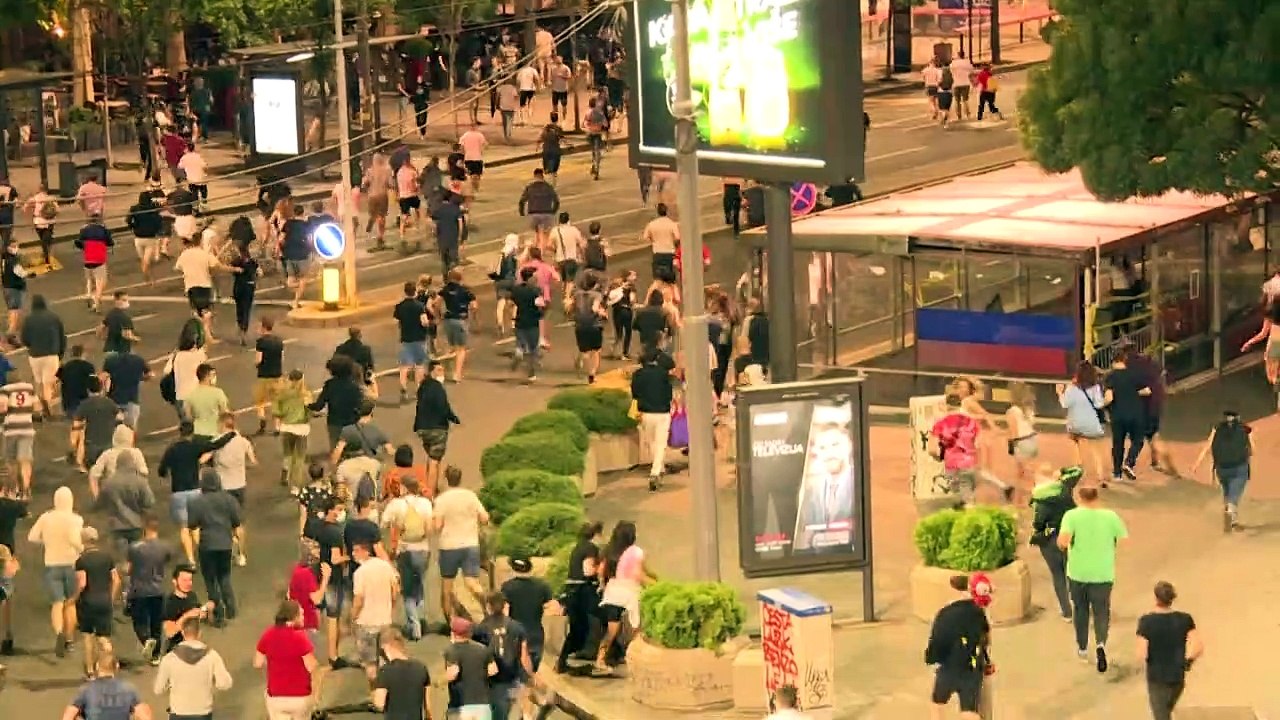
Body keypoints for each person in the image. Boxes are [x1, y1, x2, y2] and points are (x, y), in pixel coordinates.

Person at [1058, 485, 1128, 672]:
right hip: (1103, 573)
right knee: (1102, 611)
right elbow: (1123, 539)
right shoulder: (1111, 516)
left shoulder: (1071, 516)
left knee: (1080, 610)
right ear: (1097, 497)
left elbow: (1063, 542)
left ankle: (1082, 648)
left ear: (1079, 497)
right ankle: (1101, 645)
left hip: (1078, 573)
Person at [28, 485, 84, 658]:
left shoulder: (46, 518)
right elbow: (75, 539)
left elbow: (32, 537)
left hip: (52, 564)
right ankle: (69, 639)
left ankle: (59, 632)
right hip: (71, 564)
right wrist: (81, 548)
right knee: (70, 603)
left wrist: (47, 541)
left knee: (57, 603)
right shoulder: (76, 519)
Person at [924, 574, 990, 720]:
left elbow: (937, 641)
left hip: (949, 667)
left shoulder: (945, 614)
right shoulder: (978, 613)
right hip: (972, 669)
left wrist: (931, 658)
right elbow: (984, 638)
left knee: (937, 704)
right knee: (969, 709)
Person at [595, 521, 655, 675]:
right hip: (630, 592)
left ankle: (600, 660)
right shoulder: (635, 552)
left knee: (611, 631)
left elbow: (601, 571)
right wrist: (653, 583)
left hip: (612, 591)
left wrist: (603, 585)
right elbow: (638, 574)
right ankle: (638, 661)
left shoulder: (609, 551)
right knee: (637, 628)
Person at [1137, 581, 1203, 720]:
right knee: (1166, 712)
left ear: (1156, 598)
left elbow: (1142, 653)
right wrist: (1188, 662)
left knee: (1161, 716)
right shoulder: (1185, 619)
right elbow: (1198, 646)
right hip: (1177, 678)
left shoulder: (1146, 622)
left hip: (1157, 679)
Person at [793, 411, 856, 553]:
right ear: (817, 452)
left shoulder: (859, 483)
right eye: (823, 448)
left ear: (849, 446)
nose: (830, 453)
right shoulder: (811, 491)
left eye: (835, 444)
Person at [186, 468, 242, 626]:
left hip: (207, 545)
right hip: (225, 543)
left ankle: (218, 614)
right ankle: (231, 609)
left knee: (211, 581)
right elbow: (237, 522)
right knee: (225, 577)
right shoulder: (229, 499)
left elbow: (192, 524)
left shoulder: (196, 502)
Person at [500, 557, 555, 716]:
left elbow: (506, 613)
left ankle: (528, 714)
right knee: (528, 674)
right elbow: (551, 607)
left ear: (513, 569)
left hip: (517, 637)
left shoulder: (507, 588)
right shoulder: (542, 586)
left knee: (522, 679)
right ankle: (542, 699)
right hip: (537, 635)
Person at [1029, 465, 1083, 622]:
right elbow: (1078, 470)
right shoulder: (1064, 488)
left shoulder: (1040, 501)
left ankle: (1067, 612)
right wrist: (1062, 471)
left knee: (1058, 575)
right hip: (1070, 536)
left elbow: (1038, 524)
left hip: (1050, 541)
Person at [434, 466, 488, 620]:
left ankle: (450, 620)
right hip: (470, 544)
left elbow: (437, 526)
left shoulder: (442, 499)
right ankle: (488, 605)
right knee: (471, 582)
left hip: (449, 546)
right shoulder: (470, 496)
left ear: (446, 479)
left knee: (447, 586)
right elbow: (485, 518)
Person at [153, 616, 233, 717]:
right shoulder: (212, 656)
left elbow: (158, 689)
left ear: (182, 633)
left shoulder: (170, 658)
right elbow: (224, 684)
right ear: (199, 633)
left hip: (178, 712)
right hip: (203, 712)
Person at [255, 599, 320, 720]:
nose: (303, 618)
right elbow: (312, 666)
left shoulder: (268, 634)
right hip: (300, 698)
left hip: (276, 697)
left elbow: (257, 663)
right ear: (292, 617)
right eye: (300, 614)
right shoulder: (300, 637)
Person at [1190, 409, 1254, 531]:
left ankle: (1233, 522)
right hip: (1239, 467)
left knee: (1227, 492)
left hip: (1221, 468)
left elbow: (1208, 446)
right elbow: (1253, 449)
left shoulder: (1217, 428)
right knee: (1235, 493)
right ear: (1238, 417)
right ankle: (1230, 511)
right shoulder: (1246, 429)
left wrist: (1197, 463)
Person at [477, 589, 534, 720]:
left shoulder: (482, 628)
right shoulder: (517, 626)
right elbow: (524, 656)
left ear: (488, 606)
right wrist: (530, 675)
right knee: (524, 710)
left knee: (498, 715)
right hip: (514, 676)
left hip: (494, 681)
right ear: (504, 605)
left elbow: (479, 655)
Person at [351, 540, 398, 695]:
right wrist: (391, 608)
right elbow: (395, 591)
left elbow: (358, 600)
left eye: (356, 550)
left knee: (370, 663)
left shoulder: (360, 573)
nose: (353, 554)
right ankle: (388, 692)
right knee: (386, 659)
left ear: (366, 551)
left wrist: (352, 617)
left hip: (366, 623)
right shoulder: (386, 567)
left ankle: (375, 695)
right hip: (385, 621)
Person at [555, 521, 602, 673]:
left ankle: (563, 660)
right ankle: (566, 659)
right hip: (583, 591)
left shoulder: (578, 546)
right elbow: (588, 571)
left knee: (576, 627)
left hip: (572, 590)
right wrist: (601, 569)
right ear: (595, 534)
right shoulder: (590, 548)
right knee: (582, 627)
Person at [72, 527, 118, 678]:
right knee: (104, 636)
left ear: (83, 540)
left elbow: (82, 583)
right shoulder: (107, 557)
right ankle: (109, 665)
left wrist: (74, 598)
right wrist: (111, 597)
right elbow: (116, 580)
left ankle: (91, 671)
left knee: (88, 636)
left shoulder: (81, 560)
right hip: (104, 600)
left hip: (88, 601)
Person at [211, 412, 257, 562]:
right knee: (238, 522)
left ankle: (228, 547)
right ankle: (242, 554)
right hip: (239, 486)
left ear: (223, 425)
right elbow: (253, 461)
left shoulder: (217, 441)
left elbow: (204, 458)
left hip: (222, 487)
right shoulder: (243, 442)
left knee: (223, 521)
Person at [126, 517, 172, 665]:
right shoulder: (164, 547)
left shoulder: (135, 547)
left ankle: (146, 639)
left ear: (144, 530)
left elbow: (129, 568)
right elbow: (167, 561)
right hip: (158, 589)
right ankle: (156, 656)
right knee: (156, 624)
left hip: (138, 591)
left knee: (139, 621)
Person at [1103, 350, 1152, 484]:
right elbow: (1147, 391)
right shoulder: (1134, 374)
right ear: (1125, 361)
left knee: (1118, 444)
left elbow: (1109, 397)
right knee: (1138, 440)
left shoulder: (1110, 376)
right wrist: (1134, 394)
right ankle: (1129, 462)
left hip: (1118, 415)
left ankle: (1117, 473)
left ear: (1113, 362)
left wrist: (1101, 405)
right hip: (1136, 413)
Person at [61, 650, 152, 720]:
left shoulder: (86, 690)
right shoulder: (129, 689)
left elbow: (68, 716)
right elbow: (145, 716)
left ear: (96, 667)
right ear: (117, 666)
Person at [1057, 362, 1108, 486]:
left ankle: (1078, 471)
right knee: (1096, 450)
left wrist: (1059, 392)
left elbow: (1064, 404)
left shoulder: (1071, 387)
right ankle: (1100, 476)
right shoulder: (1095, 388)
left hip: (1076, 424)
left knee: (1077, 446)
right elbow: (1099, 405)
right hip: (1092, 425)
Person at [632, 349, 674, 492]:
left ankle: (659, 467)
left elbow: (635, 394)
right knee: (661, 443)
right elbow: (669, 393)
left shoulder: (637, 375)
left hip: (645, 412)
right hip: (662, 411)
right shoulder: (663, 374)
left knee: (650, 442)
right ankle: (655, 472)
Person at [414, 361, 460, 490]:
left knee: (432, 458)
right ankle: (430, 494)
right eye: (439, 370)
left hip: (422, 429)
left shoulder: (423, 387)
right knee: (435, 460)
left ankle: (432, 486)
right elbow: (443, 407)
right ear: (431, 371)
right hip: (437, 429)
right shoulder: (438, 388)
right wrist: (454, 418)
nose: (442, 373)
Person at [930, 393, 982, 506]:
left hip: (952, 464)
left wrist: (939, 458)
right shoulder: (972, 422)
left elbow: (932, 450)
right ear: (960, 404)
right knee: (969, 497)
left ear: (946, 405)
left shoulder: (940, 423)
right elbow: (978, 445)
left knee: (958, 499)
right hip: (969, 463)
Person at [443, 616, 498, 720]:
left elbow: (453, 673)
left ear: (453, 633)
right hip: (483, 704)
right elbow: (493, 670)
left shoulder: (452, 650)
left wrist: (439, 680)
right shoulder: (482, 649)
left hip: (461, 704)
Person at [21, 294, 66, 419]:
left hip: (35, 356)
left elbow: (24, 339)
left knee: (38, 382)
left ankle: (38, 407)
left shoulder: (28, 319)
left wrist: (31, 346)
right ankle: (46, 409)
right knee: (48, 383)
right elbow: (62, 337)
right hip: (51, 355)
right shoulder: (54, 317)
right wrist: (60, 353)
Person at [373, 628, 432, 720]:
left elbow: (379, 703)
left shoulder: (385, 671)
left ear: (386, 646)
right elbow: (428, 707)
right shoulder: (421, 667)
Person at [309, 355, 365, 450]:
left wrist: (306, 405)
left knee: (335, 447)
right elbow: (360, 405)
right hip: (351, 421)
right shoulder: (355, 386)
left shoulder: (330, 385)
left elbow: (319, 406)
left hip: (334, 422)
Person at [394, 282, 431, 402]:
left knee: (404, 366)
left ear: (405, 292)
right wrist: (427, 325)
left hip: (406, 338)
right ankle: (418, 389)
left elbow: (398, 321)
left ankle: (403, 388)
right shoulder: (419, 306)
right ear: (415, 291)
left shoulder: (399, 306)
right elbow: (424, 322)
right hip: (419, 338)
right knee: (419, 365)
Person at [0, 369, 36, 492]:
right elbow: (37, 406)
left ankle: (14, 488)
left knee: (11, 460)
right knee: (25, 461)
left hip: (11, 429)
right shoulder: (29, 388)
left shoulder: (5, 390)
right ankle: (26, 489)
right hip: (27, 428)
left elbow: (2, 407)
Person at [103, 341, 151, 431]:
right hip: (131, 399)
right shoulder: (138, 360)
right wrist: (139, 378)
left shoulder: (110, 360)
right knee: (131, 430)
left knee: (113, 430)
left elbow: (105, 377)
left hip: (114, 399)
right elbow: (149, 375)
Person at [439, 269, 477, 382]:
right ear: (460, 278)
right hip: (460, 320)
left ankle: (443, 372)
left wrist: (438, 315)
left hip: (448, 320)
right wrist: (473, 315)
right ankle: (457, 374)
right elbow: (474, 305)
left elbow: (436, 302)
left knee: (450, 347)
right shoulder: (465, 290)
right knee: (461, 349)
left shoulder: (445, 289)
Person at [511, 267, 547, 381]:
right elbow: (540, 305)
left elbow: (512, 303)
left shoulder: (516, 289)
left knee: (520, 342)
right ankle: (531, 374)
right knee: (533, 349)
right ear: (530, 277)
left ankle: (519, 351)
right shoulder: (536, 290)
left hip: (520, 320)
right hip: (532, 322)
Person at [76, 214, 114, 313]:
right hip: (99, 260)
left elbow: (79, 242)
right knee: (100, 283)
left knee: (89, 279)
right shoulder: (103, 229)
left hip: (87, 259)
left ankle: (88, 294)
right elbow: (110, 242)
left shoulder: (84, 229)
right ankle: (97, 305)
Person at [573, 273, 607, 384]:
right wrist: (603, 313)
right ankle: (592, 373)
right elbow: (595, 308)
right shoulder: (596, 295)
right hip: (594, 325)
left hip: (580, 325)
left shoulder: (577, 294)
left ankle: (584, 366)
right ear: (595, 284)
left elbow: (570, 306)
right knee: (596, 350)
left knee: (585, 350)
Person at [519, 169, 560, 250]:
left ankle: (536, 249)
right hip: (547, 212)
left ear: (534, 176)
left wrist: (522, 212)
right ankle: (543, 249)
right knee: (546, 234)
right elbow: (556, 201)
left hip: (533, 213)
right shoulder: (548, 187)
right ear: (542, 176)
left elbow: (522, 201)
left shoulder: (530, 187)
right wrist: (553, 211)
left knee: (535, 233)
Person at [643, 203, 680, 283]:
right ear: (666, 211)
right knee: (671, 281)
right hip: (669, 253)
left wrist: (654, 241)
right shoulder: (672, 224)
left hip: (657, 253)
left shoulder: (651, 224)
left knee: (657, 281)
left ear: (657, 212)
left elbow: (645, 237)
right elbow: (677, 238)